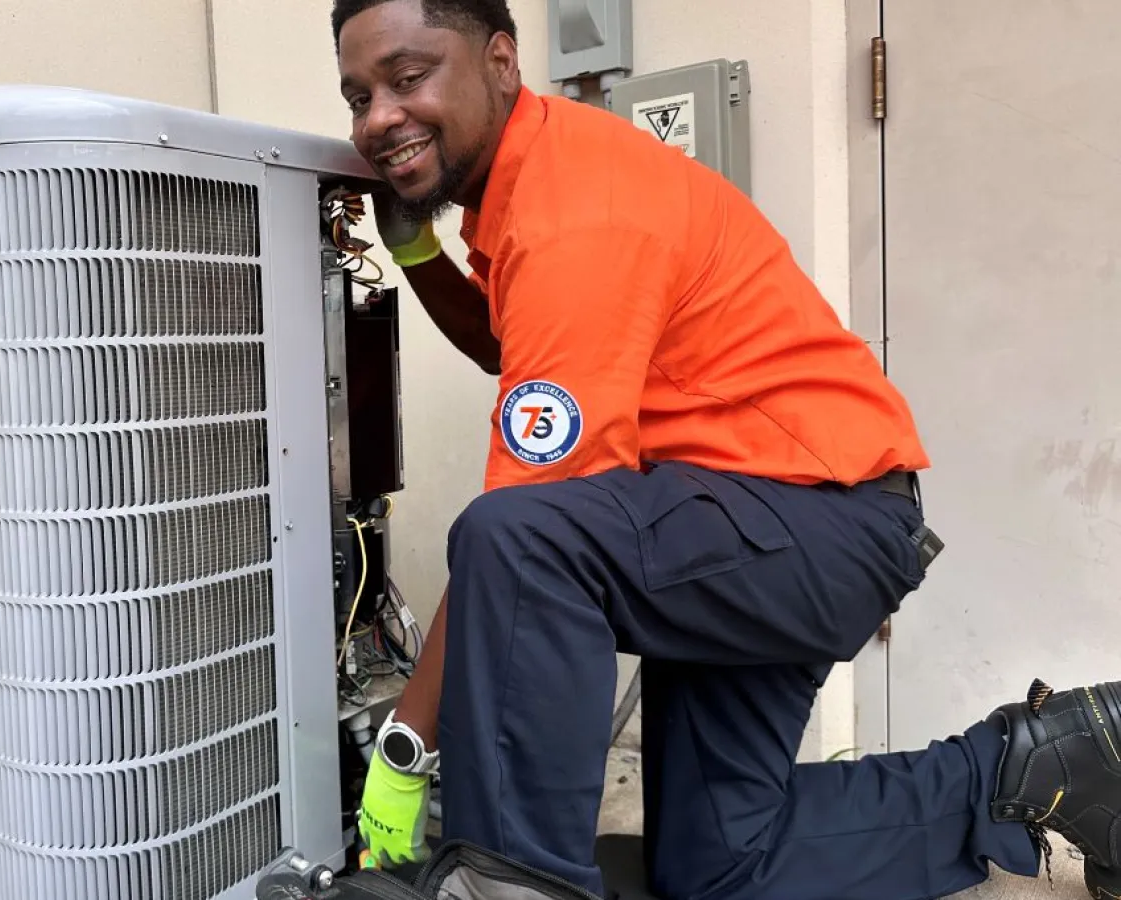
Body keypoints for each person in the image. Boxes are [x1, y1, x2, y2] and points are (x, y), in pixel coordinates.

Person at [331, 1, 1121, 898]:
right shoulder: (536, 180)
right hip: (753, 522)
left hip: (812, 520)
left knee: (517, 539)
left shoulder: (572, 212)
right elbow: (513, 349)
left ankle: (509, 884)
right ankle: (1047, 767)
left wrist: (405, 745)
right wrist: (417, 254)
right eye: (358, 97)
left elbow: (521, 544)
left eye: (408, 78)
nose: (379, 118)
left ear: (501, 61)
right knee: (714, 866)